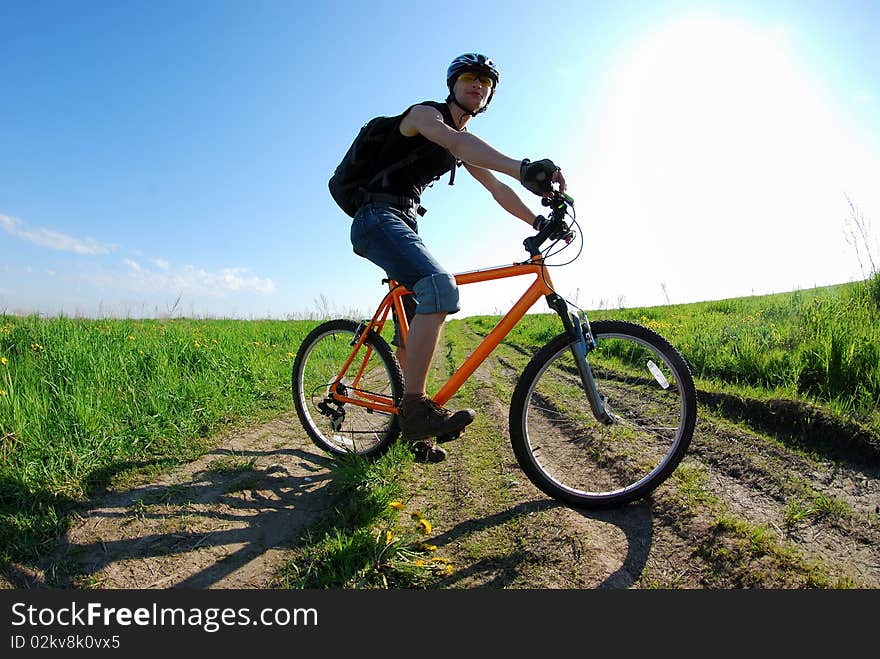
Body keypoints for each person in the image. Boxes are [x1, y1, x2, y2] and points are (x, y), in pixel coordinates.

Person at [349, 53, 566, 462]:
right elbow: (457, 141)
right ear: (452, 84)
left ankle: (411, 429)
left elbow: (496, 188)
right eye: (469, 77)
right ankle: (415, 411)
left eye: (486, 83)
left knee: (410, 332)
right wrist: (524, 168)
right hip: (376, 216)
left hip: (405, 223)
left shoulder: (463, 144)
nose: (477, 86)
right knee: (439, 287)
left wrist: (538, 218)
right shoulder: (424, 116)